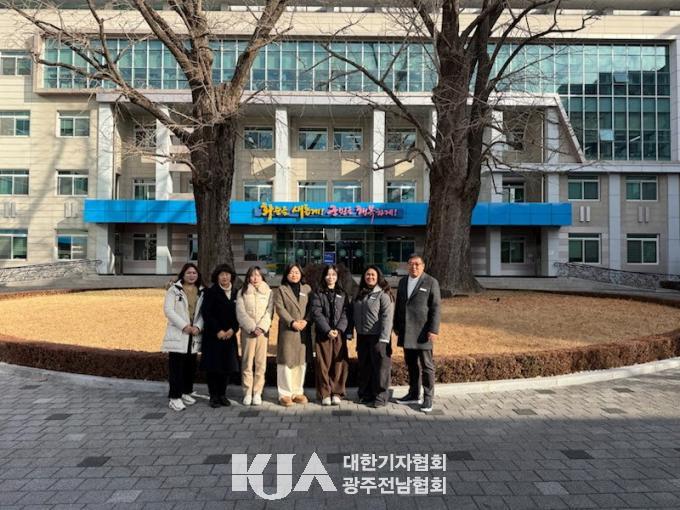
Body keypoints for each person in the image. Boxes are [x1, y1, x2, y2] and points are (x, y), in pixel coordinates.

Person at [393, 254, 441, 413]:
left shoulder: (431, 282)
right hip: (406, 331)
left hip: (423, 332)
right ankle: (413, 394)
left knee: (427, 366)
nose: (414, 267)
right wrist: (396, 325)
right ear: (408, 265)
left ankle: (428, 398)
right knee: (411, 364)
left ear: (423, 266)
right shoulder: (402, 282)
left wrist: (433, 330)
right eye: (411, 264)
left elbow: (435, 308)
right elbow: (399, 305)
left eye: (417, 264)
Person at [162, 262, 205, 412]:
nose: (192, 275)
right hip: (179, 333)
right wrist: (184, 326)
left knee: (190, 366)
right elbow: (168, 310)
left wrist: (198, 326)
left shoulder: (202, 291)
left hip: (194, 334)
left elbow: (203, 313)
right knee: (176, 367)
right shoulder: (174, 290)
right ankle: (174, 397)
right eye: (189, 273)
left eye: (194, 273)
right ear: (183, 274)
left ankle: (186, 392)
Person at [352, 265, 394, 408]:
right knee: (365, 366)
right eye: (367, 274)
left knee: (380, 368)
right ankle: (366, 394)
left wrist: (384, 339)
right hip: (363, 336)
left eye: (373, 275)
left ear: (378, 277)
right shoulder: (360, 293)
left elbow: (387, 317)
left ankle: (381, 396)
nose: (370, 277)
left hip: (378, 337)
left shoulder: (383, 294)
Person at [201, 263, 240, 408]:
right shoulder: (211, 292)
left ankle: (223, 395)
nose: (225, 277)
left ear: (231, 276)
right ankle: (214, 396)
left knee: (227, 366)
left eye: (227, 274)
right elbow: (207, 313)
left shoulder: (236, 293)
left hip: (230, 335)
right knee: (213, 367)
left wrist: (233, 329)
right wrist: (218, 330)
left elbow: (240, 314)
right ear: (217, 277)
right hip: (213, 336)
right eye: (221, 274)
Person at [311, 264, 350, 406]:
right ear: (324, 276)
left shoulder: (343, 294)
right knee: (323, 364)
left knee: (339, 363)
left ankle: (337, 392)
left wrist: (338, 330)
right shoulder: (317, 293)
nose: (330, 277)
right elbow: (316, 313)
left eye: (333, 274)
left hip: (339, 334)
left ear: (337, 277)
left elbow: (346, 313)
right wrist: (327, 330)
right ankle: (325, 393)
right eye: (328, 274)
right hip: (323, 334)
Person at [273, 263, 312, 407]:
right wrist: (291, 322)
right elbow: (279, 308)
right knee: (286, 361)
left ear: (301, 274)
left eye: (297, 272)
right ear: (286, 274)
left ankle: (297, 392)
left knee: (300, 362)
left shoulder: (307, 289)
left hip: (303, 330)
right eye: (291, 272)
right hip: (288, 330)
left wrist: (306, 321)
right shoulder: (282, 290)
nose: (294, 275)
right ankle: (285, 394)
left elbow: (312, 307)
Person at [235, 266, 273, 406]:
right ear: (248, 277)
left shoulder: (269, 292)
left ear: (262, 277)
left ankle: (257, 393)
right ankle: (247, 392)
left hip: (262, 333)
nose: (255, 278)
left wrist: (261, 327)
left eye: (258, 275)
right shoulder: (242, 292)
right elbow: (240, 312)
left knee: (260, 363)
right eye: (252, 275)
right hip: (247, 332)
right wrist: (251, 327)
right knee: (247, 362)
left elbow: (270, 311)